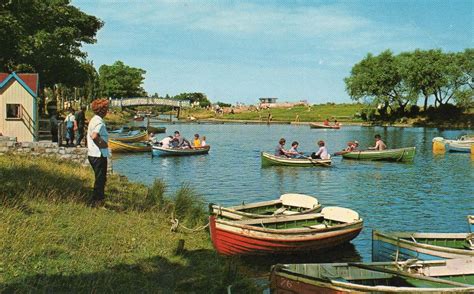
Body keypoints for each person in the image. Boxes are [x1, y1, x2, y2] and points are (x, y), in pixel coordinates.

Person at [87, 99, 110, 206]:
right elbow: (94, 135)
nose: (107, 111)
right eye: (106, 109)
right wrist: (103, 144)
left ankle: (97, 200)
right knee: (100, 179)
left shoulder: (93, 119)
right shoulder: (99, 122)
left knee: (99, 178)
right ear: (103, 110)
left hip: (93, 153)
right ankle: (97, 202)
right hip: (98, 154)